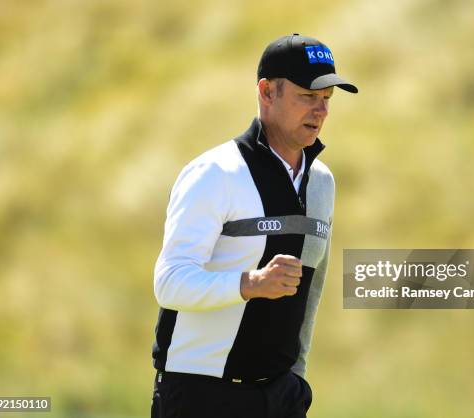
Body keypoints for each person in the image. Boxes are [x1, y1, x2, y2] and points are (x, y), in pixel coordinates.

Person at [150, 33, 358, 418]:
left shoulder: (322, 182)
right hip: (200, 396)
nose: (321, 110)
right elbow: (170, 282)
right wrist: (249, 284)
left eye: (327, 99)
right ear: (267, 92)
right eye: (308, 96)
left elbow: (311, 290)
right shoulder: (214, 173)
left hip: (281, 397)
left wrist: (297, 379)